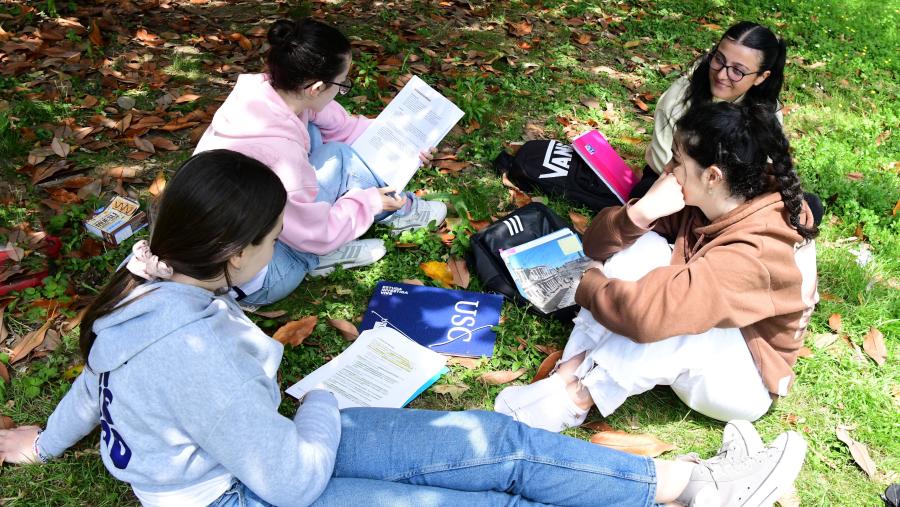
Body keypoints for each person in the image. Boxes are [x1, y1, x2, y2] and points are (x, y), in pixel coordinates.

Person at [0, 150, 807, 507]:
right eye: (274, 237)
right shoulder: (192, 346)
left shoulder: (144, 291)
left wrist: (41, 442)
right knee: (483, 498)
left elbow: (94, 379)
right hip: (251, 485)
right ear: (232, 251)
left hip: (262, 448)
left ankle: (690, 486)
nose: (281, 247)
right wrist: (318, 403)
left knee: (494, 445)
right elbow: (287, 480)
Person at [495, 101, 819, 433]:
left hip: (743, 378)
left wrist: (586, 282)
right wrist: (641, 212)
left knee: (673, 317)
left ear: (712, 176)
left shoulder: (757, 248)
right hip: (706, 319)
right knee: (643, 245)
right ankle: (571, 370)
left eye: (678, 160)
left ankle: (578, 397)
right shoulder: (714, 197)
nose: (668, 169)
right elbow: (596, 246)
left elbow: (649, 315)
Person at [194, 18, 447, 306]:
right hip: (259, 275)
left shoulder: (266, 93)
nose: (342, 91)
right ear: (315, 88)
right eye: (341, 84)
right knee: (340, 157)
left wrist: (404, 139)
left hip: (220, 239)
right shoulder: (282, 156)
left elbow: (343, 126)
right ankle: (331, 248)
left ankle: (341, 233)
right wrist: (369, 204)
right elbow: (316, 233)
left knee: (317, 134)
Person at [632, 21, 823, 224]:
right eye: (719, 60)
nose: (722, 74)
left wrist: (734, 204)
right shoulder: (681, 96)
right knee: (644, 196)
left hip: (732, 197)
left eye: (737, 71)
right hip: (680, 186)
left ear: (761, 77)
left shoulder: (765, 110)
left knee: (810, 206)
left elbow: (759, 173)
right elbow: (668, 166)